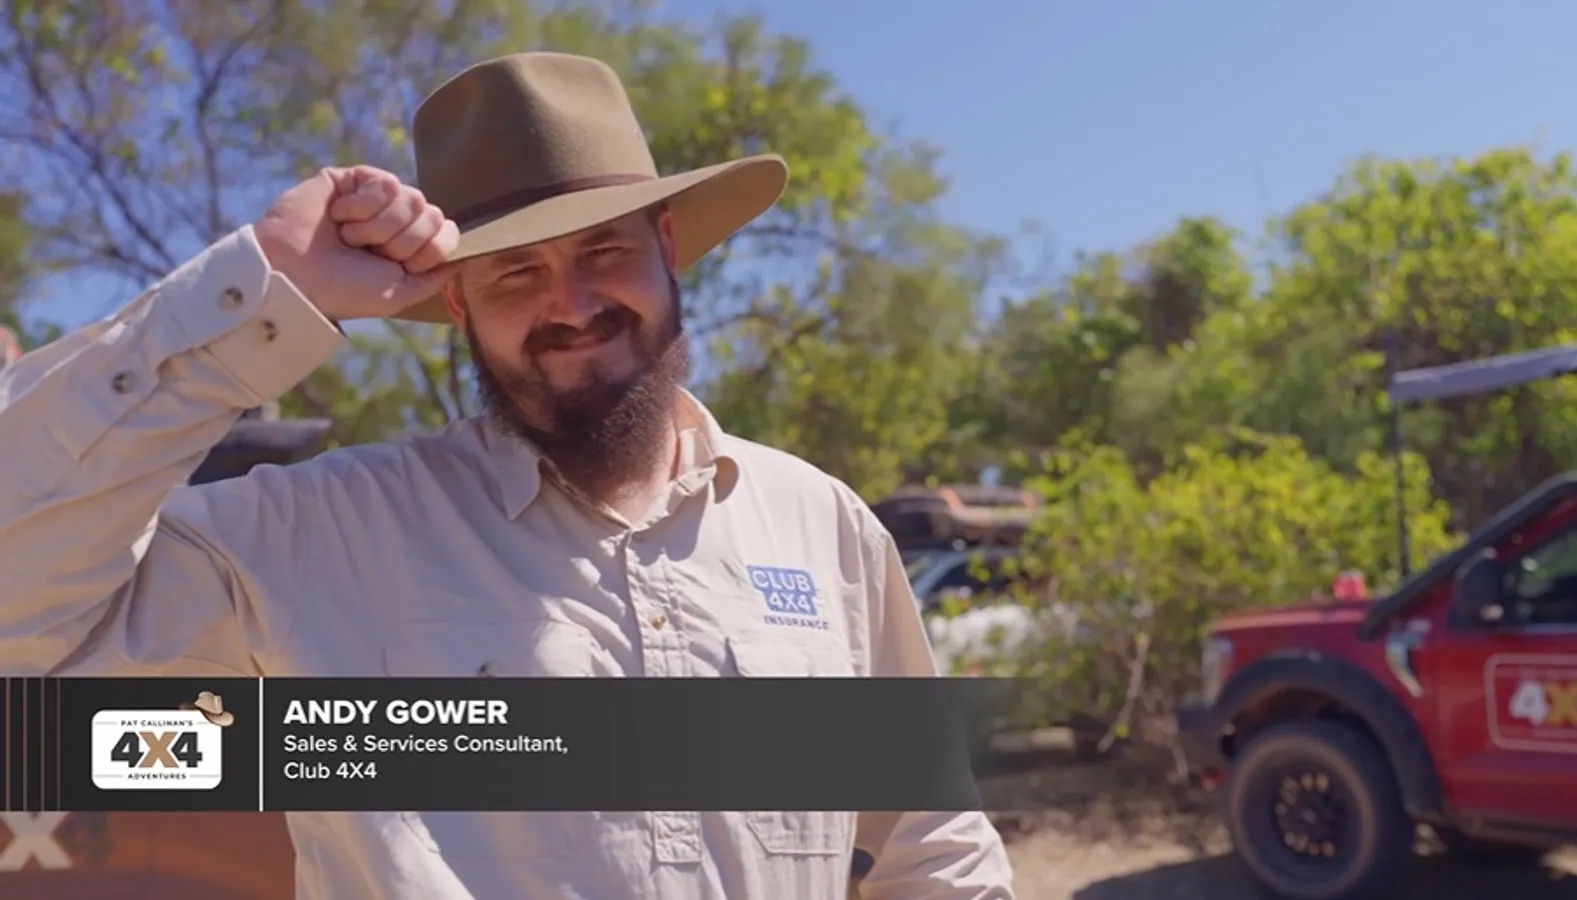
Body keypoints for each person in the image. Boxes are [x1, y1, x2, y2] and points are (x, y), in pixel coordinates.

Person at [0, 51, 1015, 899]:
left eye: (603, 250)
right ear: (454, 306)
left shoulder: (821, 527)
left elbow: (933, 848)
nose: (570, 302)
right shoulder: (315, 537)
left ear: (667, 247)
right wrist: (254, 290)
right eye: (516, 272)